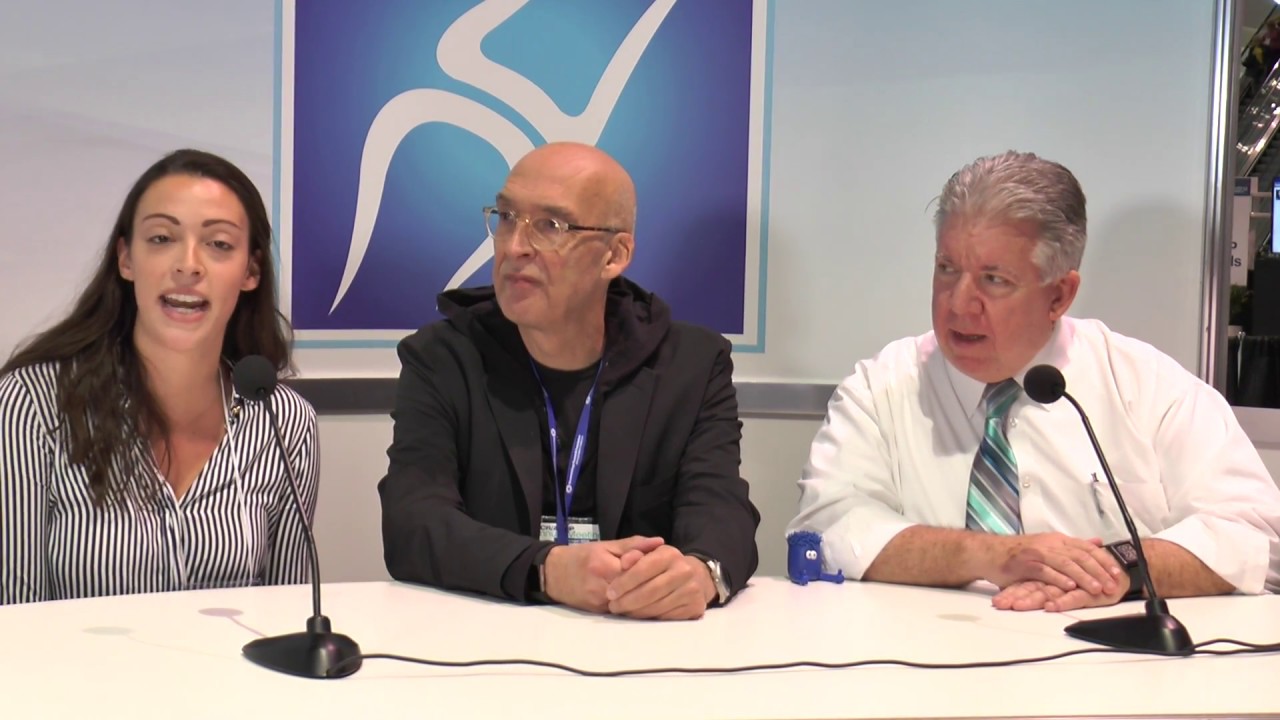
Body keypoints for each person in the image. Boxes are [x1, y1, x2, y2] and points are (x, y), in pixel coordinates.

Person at [787, 150, 1280, 612]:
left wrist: (1116, 567)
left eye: (994, 280)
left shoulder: (1148, 386)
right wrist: (992, 556)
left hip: (1104, 666)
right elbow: (823, 530)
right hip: (919, 661)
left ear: (1060, 295)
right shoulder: (881, 388)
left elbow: (1258, 539)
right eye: (946, 269)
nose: (959, 304)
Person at [379, 142, 759, 620]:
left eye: (550, 226)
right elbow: (413, 523)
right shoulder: (444, 357)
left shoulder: (692, 366)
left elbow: (721, 509)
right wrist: (547, 570)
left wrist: (701, 574)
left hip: (642, 641)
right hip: (489, 639)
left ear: (614, 256)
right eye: (507, 217)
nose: (514, 246)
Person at [0, 149, 318, 605]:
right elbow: (13, 619)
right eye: (162, 238)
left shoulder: (284, 422)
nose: (188, 265)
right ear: (126, 259)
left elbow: (288, 611)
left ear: (250, 271)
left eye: (219, 244)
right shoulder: (33, 404)